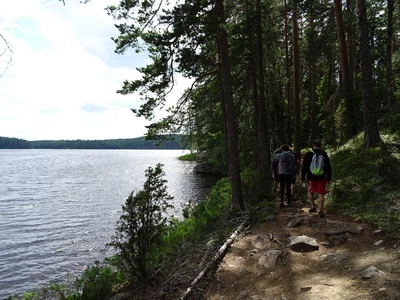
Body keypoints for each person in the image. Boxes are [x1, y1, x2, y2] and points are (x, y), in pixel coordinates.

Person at [301, 139, 332, 218]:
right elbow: (328, 167)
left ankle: (313, 207)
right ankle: (320, 210)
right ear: (320, 145)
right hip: (321, 177)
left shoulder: (308, 154)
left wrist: (302, 178)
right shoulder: (324, 154)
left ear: (313, 145)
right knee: (321, 193)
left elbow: (304, 167)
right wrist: (328, 178)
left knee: (310, 191)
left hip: (311, 177)